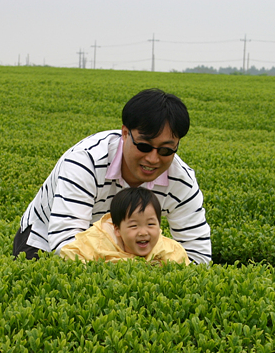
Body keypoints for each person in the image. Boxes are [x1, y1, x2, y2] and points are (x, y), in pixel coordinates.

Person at [13, 88, 211, 264]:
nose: (153, 159)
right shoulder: (86, 160)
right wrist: (126, 266)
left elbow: (198, 255)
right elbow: (65, 245)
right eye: (144, 146)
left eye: (166, 150)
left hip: (128, 248)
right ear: (125, 133)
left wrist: (148, 267)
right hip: (44, 240)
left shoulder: (182, 180)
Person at [60, 187, 189, 264]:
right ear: (117, 229)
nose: (143, 232)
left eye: (150, 224)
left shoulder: (169, 249)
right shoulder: (98, 241)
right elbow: (69, 253)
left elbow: (184, 271)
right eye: (134, 226)